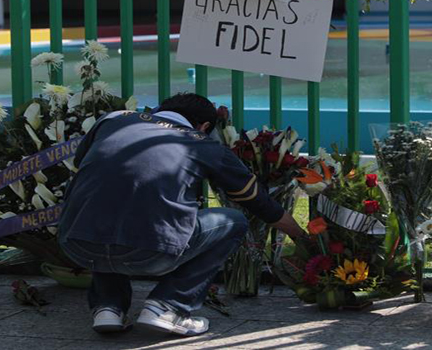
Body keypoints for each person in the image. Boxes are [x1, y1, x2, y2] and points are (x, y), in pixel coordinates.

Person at [58, 93, 305, 337]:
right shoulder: (203, 143)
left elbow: (82, 161)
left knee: (112, 201)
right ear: (205, 126)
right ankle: (168, 306)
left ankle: (108, 307)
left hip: (76, 244)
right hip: (151, 252)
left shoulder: (113, 120)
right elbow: (260, 204)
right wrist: (304, 238)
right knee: (234, 221)